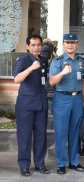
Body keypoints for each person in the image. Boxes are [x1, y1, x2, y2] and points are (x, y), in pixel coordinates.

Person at [49, 33, 84, 174]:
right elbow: (52, 81)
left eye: (73, 43)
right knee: (61, 132)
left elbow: (83, 81)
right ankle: (61, 163)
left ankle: (74, 162)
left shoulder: (81, 61)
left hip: (77, 99)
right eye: (67, 43)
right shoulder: (57, 61)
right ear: (64, 45)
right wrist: (63, 73)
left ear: (76, 44)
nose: (70, 45)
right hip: (62, 99)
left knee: (74, 132)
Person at [13, 34, 49, 176]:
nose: (36, 47)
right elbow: (16, 79)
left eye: (38, 45)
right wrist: (30, 68)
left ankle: (40, 164)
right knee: (25, 136)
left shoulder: (44, 60)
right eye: (33, 45)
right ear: (28, 46)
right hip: (26, 105)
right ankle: (24, 165)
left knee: (41, 136)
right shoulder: (23, 60)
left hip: (41, 104)